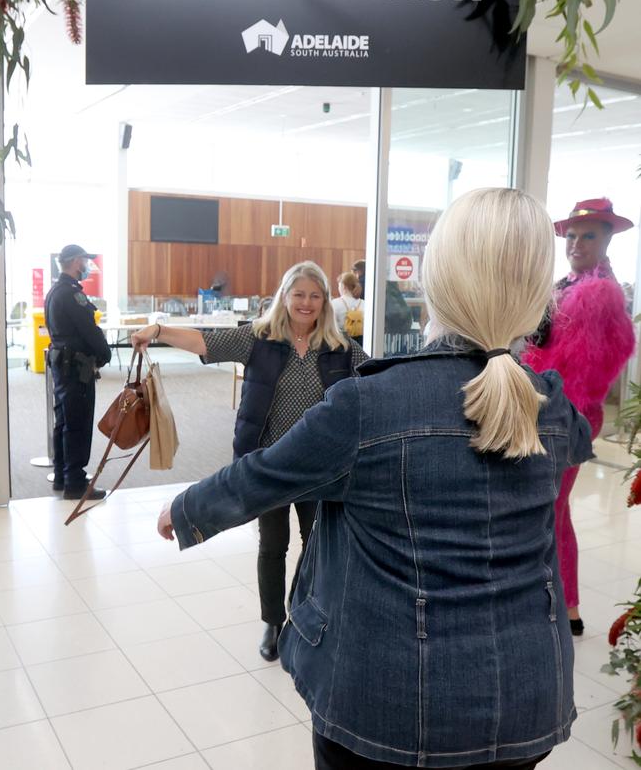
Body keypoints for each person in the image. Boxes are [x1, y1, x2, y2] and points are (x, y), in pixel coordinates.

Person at [156, 188, 593, 769]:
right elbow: (577, 444)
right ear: (538, 294)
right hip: (528, 697)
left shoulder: (369, 405)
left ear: (434, 284)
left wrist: (184, 511)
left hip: (388, 705)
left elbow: (266, 473)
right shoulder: (551, 405)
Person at [132, 261, 367, 662]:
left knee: (317, 545)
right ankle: (273, 621)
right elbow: (207, 343)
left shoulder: (340, 347)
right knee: (273, 546)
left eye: (314, 295)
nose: (306, 303)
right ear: (285, 297)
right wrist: (159, 332)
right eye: (299, 294)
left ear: (324, 301)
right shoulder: (260, 338)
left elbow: (376, 379)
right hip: (267, 465)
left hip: (319, 468)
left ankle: (310, 616)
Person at [523, 197, 635, 636]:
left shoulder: (597, 292)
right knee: (553, 507)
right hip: (555, 410)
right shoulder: (566, 285)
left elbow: (582, 370)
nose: (576, 243)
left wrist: (545, 408)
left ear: (608, 239)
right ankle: (564, 602)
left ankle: (561, 604)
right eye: (571, 235)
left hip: (563, 414)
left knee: (550, 507)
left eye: (589, 236)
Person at [44, 244, 111, 500]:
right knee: (78, 423)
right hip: (76, 369)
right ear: (75, 262)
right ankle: (76, 482)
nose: (87, 265)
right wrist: (105, 354)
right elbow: (89, 329)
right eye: (85, 260)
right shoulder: (73, 294)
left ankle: (63, 476)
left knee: (64, 422)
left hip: (62, 365)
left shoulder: (54, 292)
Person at [331, 271, 364, 342]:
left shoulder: (335, 303)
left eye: (339, 286)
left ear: (344, 287)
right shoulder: (364, 304)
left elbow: (330, 326)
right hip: (361, 343)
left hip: (342, 342)